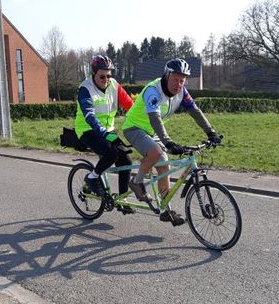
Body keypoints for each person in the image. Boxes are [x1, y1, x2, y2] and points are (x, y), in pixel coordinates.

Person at [122, 58, 221, 226]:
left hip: (152, 132)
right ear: (167, 76)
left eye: (182, 80)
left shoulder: (182, 92)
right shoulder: (154, 90)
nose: (178, 84)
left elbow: (195, 111)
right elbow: (155, 118)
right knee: (157, 152)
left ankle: (166, 210)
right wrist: (167, 141)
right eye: (175, 79)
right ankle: (136, 182)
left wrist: (211, 132)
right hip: (134, 128)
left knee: (164, 165)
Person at [74, 55, 134, 210]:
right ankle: (92, 178)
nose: (106, 79)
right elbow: (89, 116)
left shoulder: (114, 85)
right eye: (102, 76)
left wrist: (143, 123)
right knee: (110, 153)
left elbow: (130, 107)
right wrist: (104, 133)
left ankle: (122, 200)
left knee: (126, 161)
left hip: (108, 130)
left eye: (109, 75)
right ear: (93, 74)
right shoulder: (85, 89)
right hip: (88, 130)